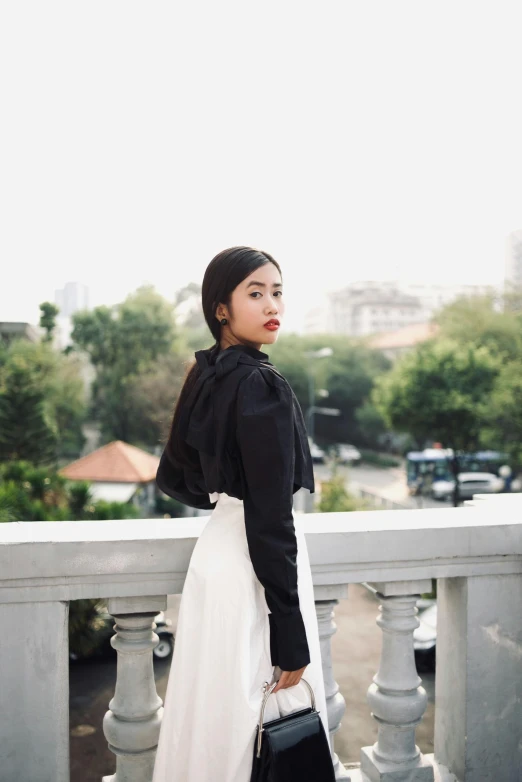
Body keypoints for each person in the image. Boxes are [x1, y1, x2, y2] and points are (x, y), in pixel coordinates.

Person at [152, 247, 329, 782]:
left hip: (218, 557)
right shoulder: (261, 384)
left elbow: (173, 477)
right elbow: (272, 519)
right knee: (254, 726)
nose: (272, 304)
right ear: (221, 308)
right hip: (255, 570)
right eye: (255, 293)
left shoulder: (207, 375)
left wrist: (225, 501)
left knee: (211, 720)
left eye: (277, 291)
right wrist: (290, 631)